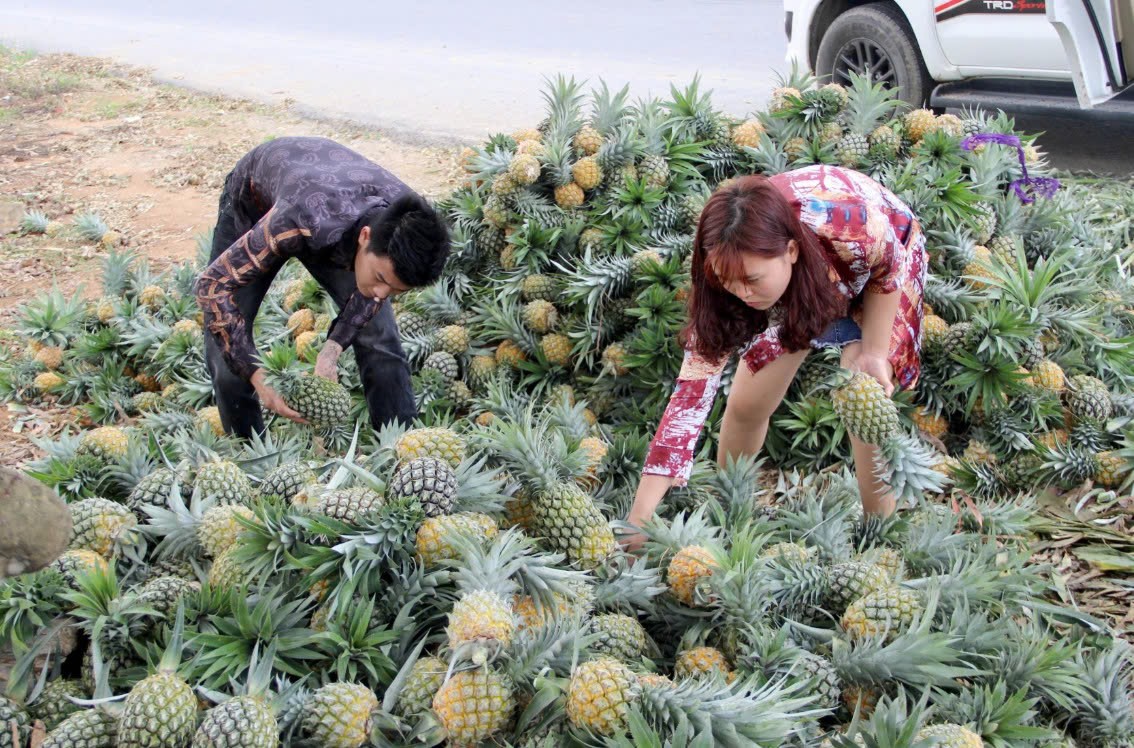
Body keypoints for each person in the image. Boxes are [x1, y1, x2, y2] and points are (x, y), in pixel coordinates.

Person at [621, 165, 927, 550]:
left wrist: (874, 353)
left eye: (751, 280)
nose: (741, 293)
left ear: (791, 251)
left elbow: (890, 266)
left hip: (882, 262)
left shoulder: (854, 228)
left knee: (862, 401)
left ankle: (880, 535)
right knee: (748, 403)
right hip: (801, 289)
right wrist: (639, 518)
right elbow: (687, 406)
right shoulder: (726, 277)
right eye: (727, 280)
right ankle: (731, 510)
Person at [196, 136, 451, 439]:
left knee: (380, 337)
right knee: (225, 348)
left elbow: (376, 291)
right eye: (381, 279)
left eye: (397, 290)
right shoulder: (296, 220)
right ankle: (247, 450)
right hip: (261, 201)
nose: (383, 294)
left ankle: (399, 445)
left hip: (333, 206)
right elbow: (212, 287)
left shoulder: (408, 223)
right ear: (365, 238)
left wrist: (331, 351)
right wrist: (256, 374)